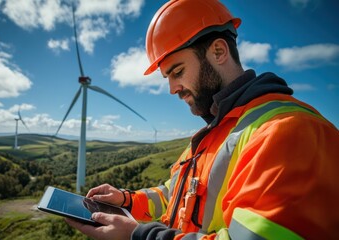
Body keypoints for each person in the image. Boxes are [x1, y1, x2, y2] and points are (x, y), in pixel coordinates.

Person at [66, 0, 339, 239]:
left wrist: (138, 236)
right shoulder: (209, 138)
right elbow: (173, 195)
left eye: (178, 71)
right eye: (168, 78)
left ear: (218, 52)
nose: (172, 89)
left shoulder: (288, 132)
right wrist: (126, 199)